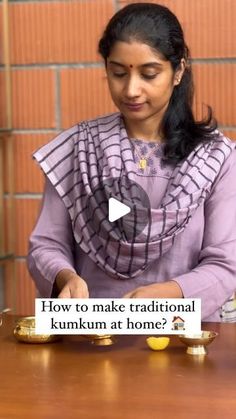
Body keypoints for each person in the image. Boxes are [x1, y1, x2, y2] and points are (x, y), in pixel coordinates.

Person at [27, 2, 236, 322]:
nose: (131, 90)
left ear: (178, 70)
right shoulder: (80, 149)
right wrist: (64, 277)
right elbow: (46, 245)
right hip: (93, 338)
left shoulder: (215, 158)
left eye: (149, 74)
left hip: (185, 340)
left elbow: (225, 264)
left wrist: (168, 294)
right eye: (118, 73)